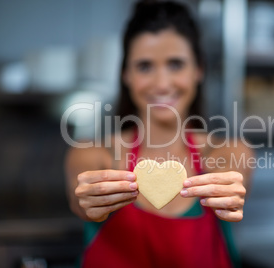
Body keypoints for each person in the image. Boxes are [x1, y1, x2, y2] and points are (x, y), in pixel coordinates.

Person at [65, 1, 254, 267]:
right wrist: (86, 199)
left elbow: (236, 177)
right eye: (144, 66)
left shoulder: (227, 152)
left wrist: (231, 193)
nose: (162, 83)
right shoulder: (93, 153)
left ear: (198, 70)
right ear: (125, 75)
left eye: (175, 64)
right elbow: (78, 193)